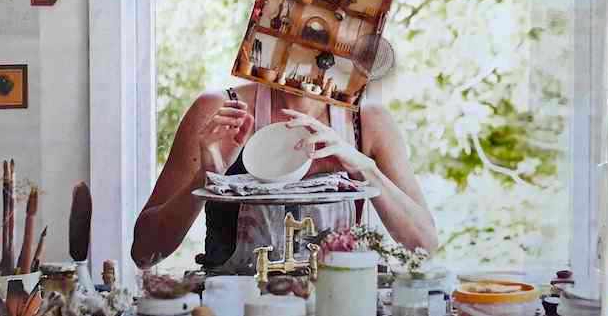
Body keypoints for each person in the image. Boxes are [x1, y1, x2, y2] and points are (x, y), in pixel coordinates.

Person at [131, 80, 437, 270]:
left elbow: (424, 244)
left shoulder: (368, 121)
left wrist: (365, 169)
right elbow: (144, 252)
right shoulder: (221, 110)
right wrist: (206, 177)